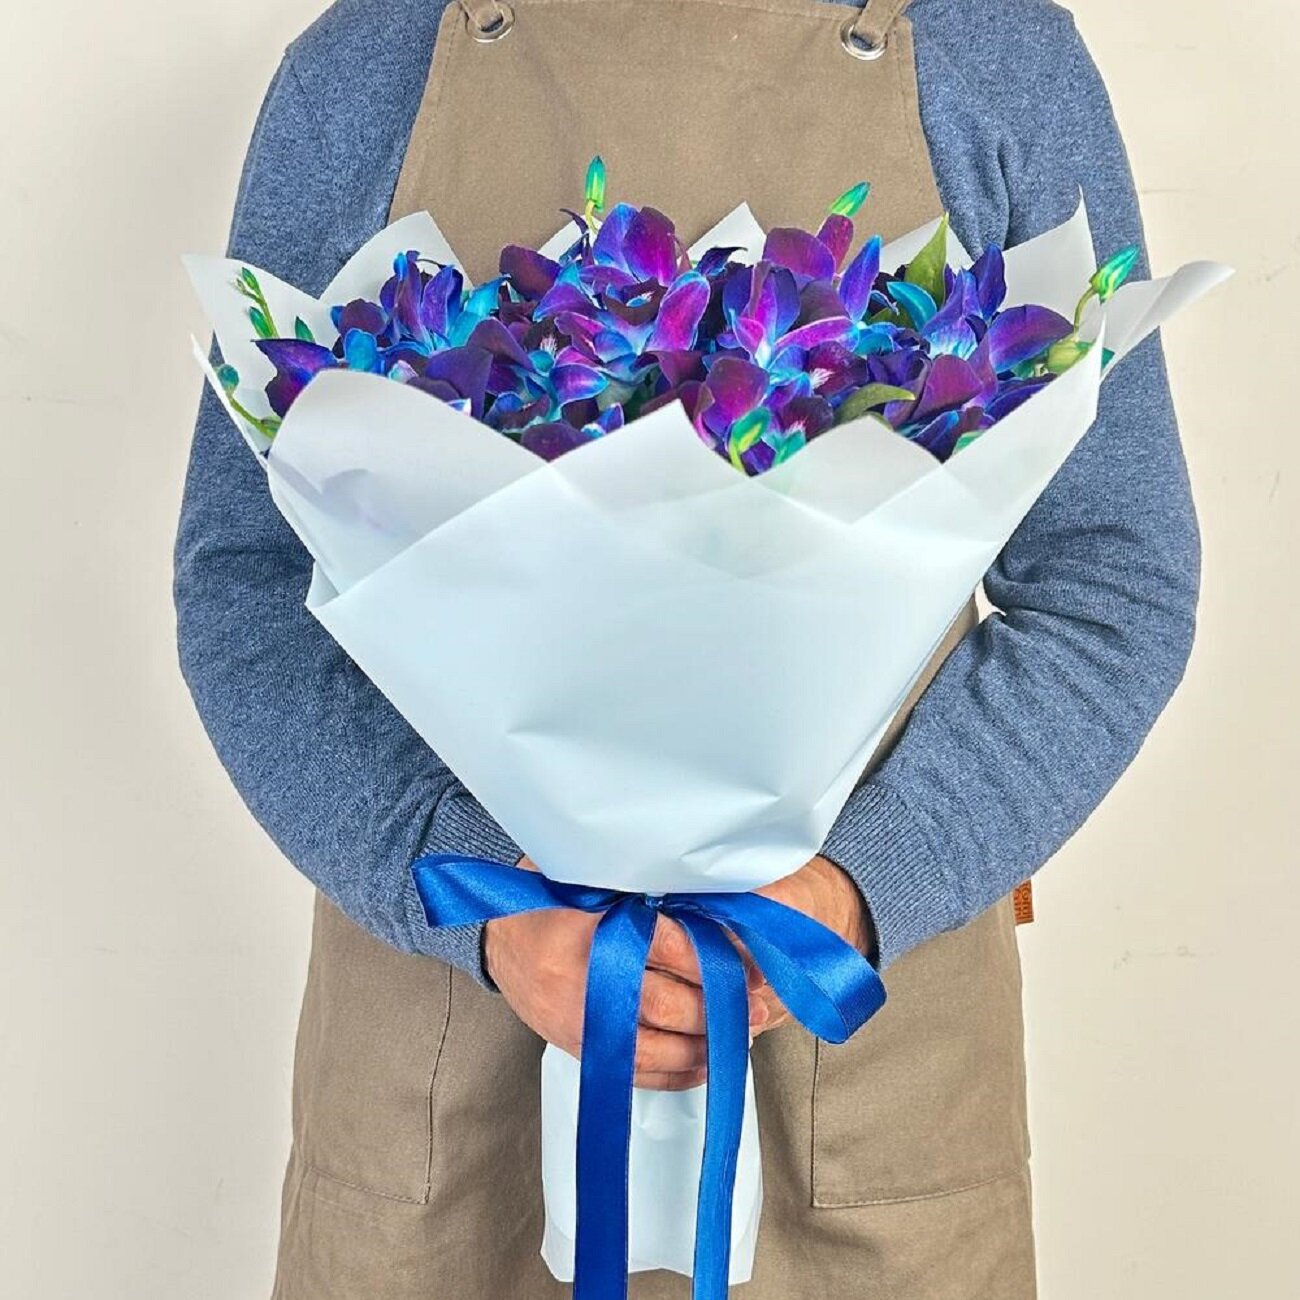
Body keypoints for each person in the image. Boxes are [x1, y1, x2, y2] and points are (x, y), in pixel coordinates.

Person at [174, 0, 1200, 1295]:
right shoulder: (367, 63)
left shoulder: (990, 50)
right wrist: (477, 901)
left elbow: (1113, 579)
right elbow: (248, 583)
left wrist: (860, 887)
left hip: (863, 1060)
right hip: (445, 1067)